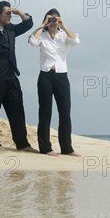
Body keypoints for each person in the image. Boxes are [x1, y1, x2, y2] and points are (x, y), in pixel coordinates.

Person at [0, 1, 37, 153]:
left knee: (17, 110)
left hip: (12, 77)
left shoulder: (10, 29)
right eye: (7, 13)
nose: (10, 16)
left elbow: (28, 24)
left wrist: (19, 13)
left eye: (11, 13)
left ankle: (22, 143)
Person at [28, 8, 81, 157]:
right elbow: (32, 41)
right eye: (50, 19)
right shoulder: (42, 35)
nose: (52, 22)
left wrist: (63, 25)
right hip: (45, 76)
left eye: (55, 19)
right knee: (45, 112)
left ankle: (67, 148)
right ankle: (45, 147)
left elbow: (76, 41)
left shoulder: (64, 35)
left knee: (65, 112)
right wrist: (42, 24)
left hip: (61, 76)